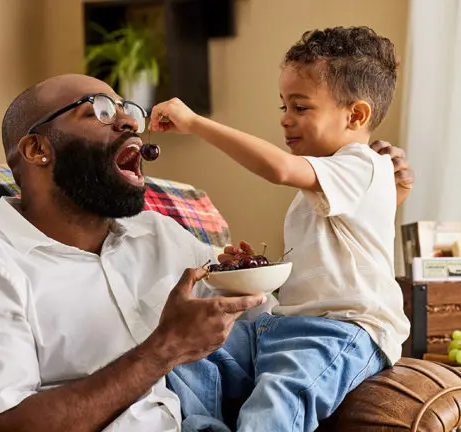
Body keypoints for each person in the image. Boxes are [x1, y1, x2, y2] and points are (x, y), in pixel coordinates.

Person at [0, 74, 414, 432]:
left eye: (129, 108)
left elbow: (277, 321)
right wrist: (163, 349)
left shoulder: (159, 234)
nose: (130, 120)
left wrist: (368, 204)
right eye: (101, 110)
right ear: (37, 148)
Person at [150, 26, 411, 431]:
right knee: (187, 349)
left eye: (301, 107)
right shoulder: (326, 180)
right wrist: (248, 269)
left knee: (279, 398)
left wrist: (197, 123)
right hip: (284, 324)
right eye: (283, 106)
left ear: (356, 115)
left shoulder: (363, 164)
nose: (286, 120)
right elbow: (328, 258)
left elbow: (278, 168)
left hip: (341, 332)